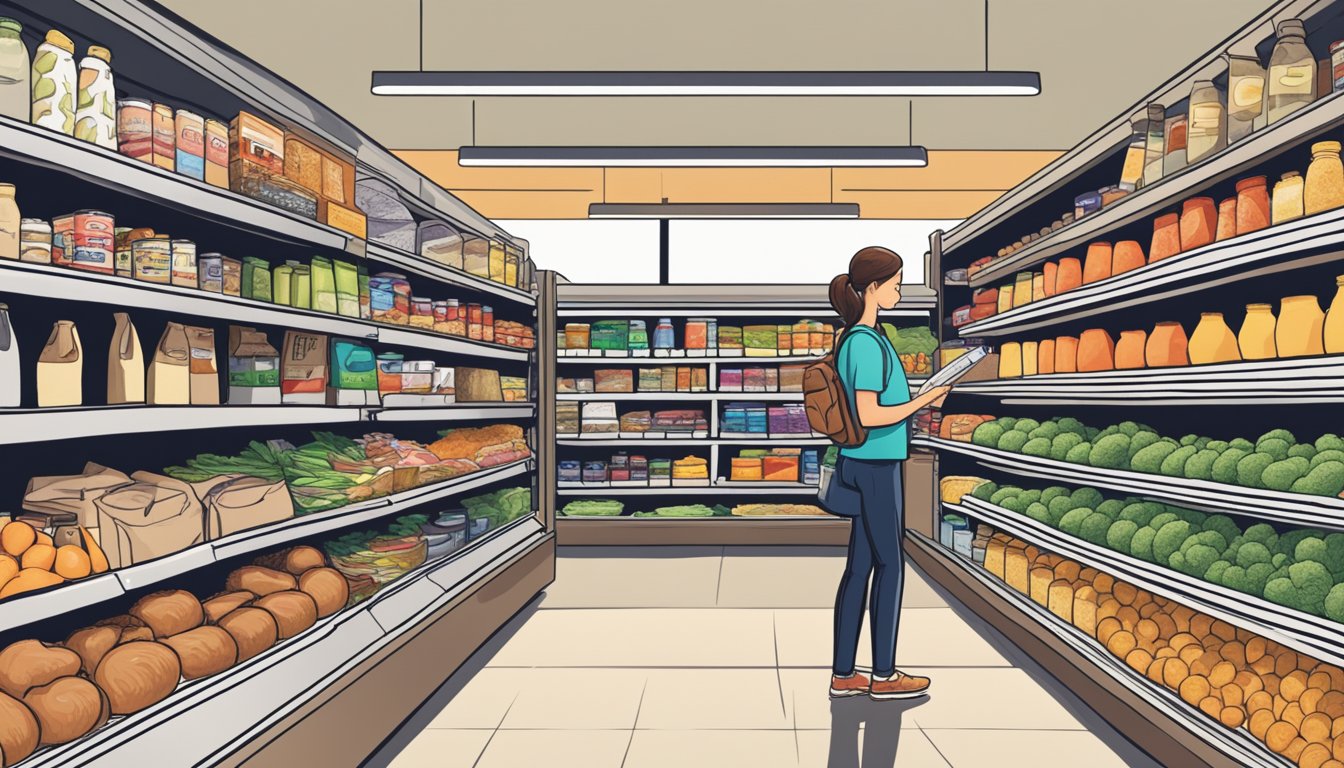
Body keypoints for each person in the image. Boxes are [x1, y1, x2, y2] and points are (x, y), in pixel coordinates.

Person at [826, 246, 949, 701]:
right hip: (875, 463)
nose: (900, 289)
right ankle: (883, 675)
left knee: (859, 567)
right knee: (890, 566)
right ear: (872, 288)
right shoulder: (865, 342)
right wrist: (924, 401)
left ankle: (844, 674)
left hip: (860, 462)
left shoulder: (860, 339)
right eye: (895, 282)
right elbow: (870, 413)